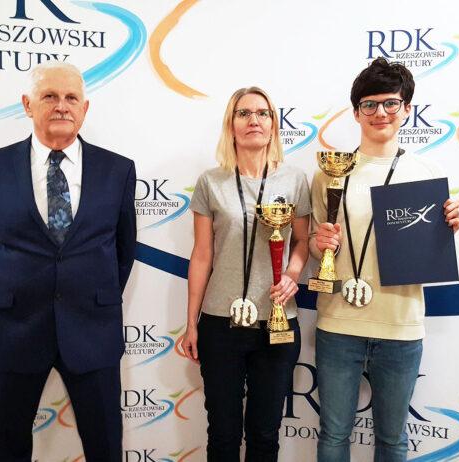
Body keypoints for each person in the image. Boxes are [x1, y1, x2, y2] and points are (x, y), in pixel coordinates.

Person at [0, 61, 136, 462]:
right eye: (49, 96)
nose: (62, 105)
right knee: (9, 449)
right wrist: (10, 297)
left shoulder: (118, 170)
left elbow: (123, 251)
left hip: (92, 330)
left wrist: (90, 293)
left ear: (84, 108)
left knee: (105, 448)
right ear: (28, 104)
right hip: (14, 329)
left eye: (71, 97)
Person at [310, 57, 459, 462]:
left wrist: (447, 227)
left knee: (393, 441)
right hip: (338, 323)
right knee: (333, 435)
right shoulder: (329, 173)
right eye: (370, 104)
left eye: (391, 103)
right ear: (356, 111)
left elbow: (432, 249)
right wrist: (319, 242)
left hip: (400, 325)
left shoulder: (427, 172)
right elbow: (314, 245)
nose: (380, 112)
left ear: (406, 108)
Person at [181, 87, 311, 461]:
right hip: (220, 324)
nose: (254, 120)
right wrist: (191, 324)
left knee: (265, 435)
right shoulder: (211, 182)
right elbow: (202, 255)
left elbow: (303, 242)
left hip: (277, 323)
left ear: (273, 125)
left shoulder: (294, 180)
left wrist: (292, 274)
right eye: (244, 113)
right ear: (231, 125)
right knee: (222, 435)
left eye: (262, 113)